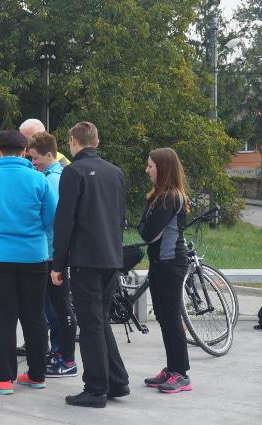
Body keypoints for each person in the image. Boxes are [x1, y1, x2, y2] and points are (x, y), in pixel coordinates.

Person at [0, 130, 57, 395]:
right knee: (35, 315)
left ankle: (5, 378)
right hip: (34, 256)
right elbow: (52, 217)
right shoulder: (39, 179)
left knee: (2, 317)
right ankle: (37, 374)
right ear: (25, 151)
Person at [52, 121, 129, 408]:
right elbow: (120, 216)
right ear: (96, 141)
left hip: (85, 258)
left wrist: (58, 263)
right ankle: (116, 381)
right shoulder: (115, 171)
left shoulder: (73, 171)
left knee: (90, 324)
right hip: (111, 256)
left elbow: (65, 220)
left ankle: (96, 388)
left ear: (74, 140)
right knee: (100, 321)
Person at [138, 147, 193, 394]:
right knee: (162, 315)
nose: (147, 170)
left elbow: (148, 232)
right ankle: (172, 369)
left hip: (171, 263)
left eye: (150, 165)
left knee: (170, 316)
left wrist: (151, 229)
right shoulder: (158, 196)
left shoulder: (171, 197)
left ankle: (181, 374)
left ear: (162, 168)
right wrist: (150, 229)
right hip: (159, 262)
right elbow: (144, 229)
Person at [27, 132, 78, 378]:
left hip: (53, 253)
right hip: (51, 252)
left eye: (35, 158)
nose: (33, 163)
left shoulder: (53, 180)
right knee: (53, 307)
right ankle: (59, 353)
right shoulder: (50, 176)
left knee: (60, 308)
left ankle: (66, 357)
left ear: (49, 155)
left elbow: (57, 220)